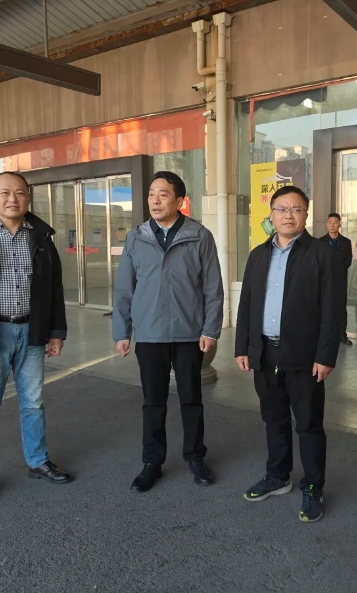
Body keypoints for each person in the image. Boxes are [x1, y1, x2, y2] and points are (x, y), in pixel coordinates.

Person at [0, 171, 71, 508]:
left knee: (33, 402)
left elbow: (54, 288)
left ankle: (38, 461)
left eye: (19, 192)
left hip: (31, 332)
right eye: (5, 192)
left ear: (28, 197)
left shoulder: (41, 237)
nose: (12, 199)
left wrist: (56, 331)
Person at [235, 185, 342, 523]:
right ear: (271, 215)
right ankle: (278, 476)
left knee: (309, 424)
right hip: (265, 352)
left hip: (304, 357)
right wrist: (243, 347)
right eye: (281, 209)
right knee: (274, 419)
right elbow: (247, 304)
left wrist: (325, 356)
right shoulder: (258, 254)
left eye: (296, 209)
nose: (288, 215)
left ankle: (313, 486)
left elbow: (333, 310)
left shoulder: (322, 254)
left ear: (306, 215)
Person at [113, 171, 223, 493]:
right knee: (153, 403)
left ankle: (195, 456)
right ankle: (152, 462)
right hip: (149, 334)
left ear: (179, 201)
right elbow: (124, 289)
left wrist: (210, 330)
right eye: (151, 194)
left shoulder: (199, 236)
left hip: (189, 333)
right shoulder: (136, 237)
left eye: (163, 194)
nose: (155, 200)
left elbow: (213, 287)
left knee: (192, 399)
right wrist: (122, 332)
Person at [320, 213, 353, 346]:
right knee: (324, 306)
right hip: (324, 280)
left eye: (335, 223)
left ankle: (341, 335)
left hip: (340, 280)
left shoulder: (345, 242)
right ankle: (324, 334)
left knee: (340, 307)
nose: (332, 225)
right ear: (327, 224)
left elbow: (348, 261)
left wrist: (336, 272)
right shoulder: (320, 242)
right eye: (329, 222)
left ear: (339, 224)